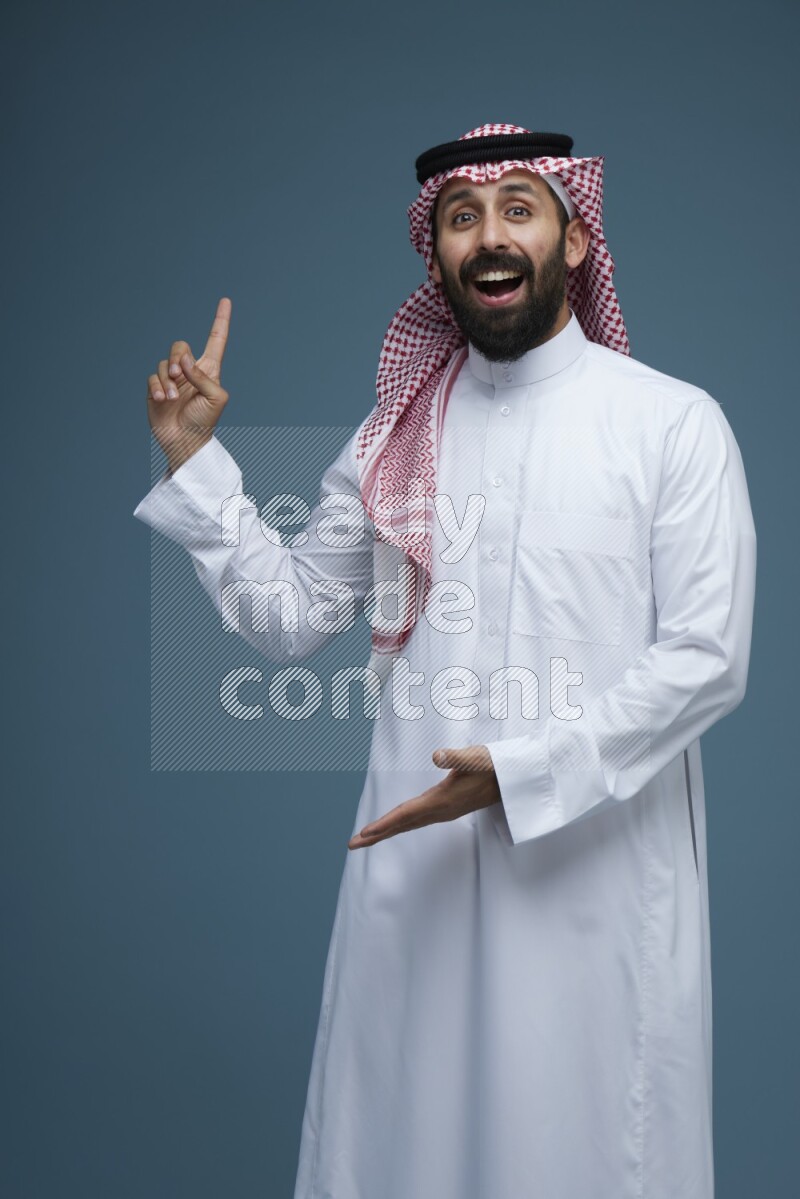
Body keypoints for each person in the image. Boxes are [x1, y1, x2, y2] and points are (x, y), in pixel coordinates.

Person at [133, 123, 757, 1198]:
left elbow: (705, 657)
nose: (490, 236)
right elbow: (285, 616)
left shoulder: (668, 424)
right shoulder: (392, 437)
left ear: (572, 237)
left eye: (519, 207)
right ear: (437, 259)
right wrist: (198, 466)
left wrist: (516, 772)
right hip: (416, 877)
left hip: (594, 877)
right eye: (461, 218)